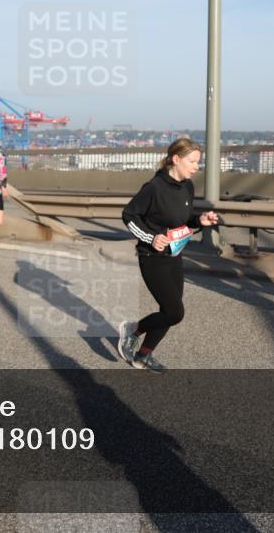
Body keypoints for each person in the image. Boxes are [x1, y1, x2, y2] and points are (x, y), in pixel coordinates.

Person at [118, 138, 219, 373]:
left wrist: (200, 220)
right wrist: (150, 237)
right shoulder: (154, 188)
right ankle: (132, 331)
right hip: (152, 257)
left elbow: (183, 218)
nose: (196, 167)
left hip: (174, 255)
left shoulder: (187, 186)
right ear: (176, 159)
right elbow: (129, 215)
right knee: (175, 312)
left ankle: (143, 356)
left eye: (198, 162)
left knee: (169, 313)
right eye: (192, 161)